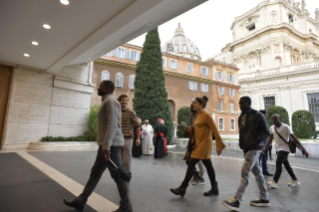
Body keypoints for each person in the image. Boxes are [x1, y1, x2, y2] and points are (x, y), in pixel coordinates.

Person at [63, 80, 132, 212]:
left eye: (100, 86)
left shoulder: (111, 101)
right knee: (95, 174)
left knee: (118, 176)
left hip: (111, 146)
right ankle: (80, 201)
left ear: (107, 88)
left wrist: (106, 146)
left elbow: (112, 124)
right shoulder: (107, 101)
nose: (97, 88)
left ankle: (126, 207)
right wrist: (104, 145)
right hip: (106, 146)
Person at [222, 96, 270, 211]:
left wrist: (254, 141)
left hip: (254, 148)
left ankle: (237, 200)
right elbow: (242, 133)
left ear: (249, 103)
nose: (240, 106)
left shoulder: (257, 115)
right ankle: (264, 198)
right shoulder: (241, 117)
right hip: (246, 149)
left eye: (243, 103)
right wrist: (242, 144)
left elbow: (266, 132)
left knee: (245, 173)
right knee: (258, 174)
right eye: (239, 104)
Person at [170, 96, 225, 197]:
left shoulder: (206, 115)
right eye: (193, 103)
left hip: (205, 144)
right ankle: (214, 188)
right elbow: (199, 128)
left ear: (201, 105)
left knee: (191, 162)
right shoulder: (198, 115)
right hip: (199, 143)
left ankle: (182, 188)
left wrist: (219, 144)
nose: (193, 104)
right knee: (208, 165)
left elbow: (214, 129)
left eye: (195, 103)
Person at [262, 114, 309, 188]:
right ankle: (294, 179)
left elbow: (295, 138)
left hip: (285, 149)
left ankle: (274, 181)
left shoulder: (286, 127)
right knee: (286, 165)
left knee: (278, 162)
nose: (274, 120)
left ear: (279, 119)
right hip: (278, 149)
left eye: (275, 119)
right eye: (272, 119)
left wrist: (304, 149)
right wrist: (265, 147)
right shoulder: (272, 128)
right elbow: (270, 139)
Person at [118, 94, 141, 173]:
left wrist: (138, 138)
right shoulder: (116, 112)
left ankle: (127, 177)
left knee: (127, 160)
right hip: (118, 138)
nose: (124, 102)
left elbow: (138, 125)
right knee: (119, 159)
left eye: (126, 100)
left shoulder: (131, 113)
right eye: (122, 100)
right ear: (119, 101)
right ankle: (121, 176)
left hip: (128, 138)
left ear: (127, 101)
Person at [189, 101, 205, 185]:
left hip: (200, 140)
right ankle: (197, 175)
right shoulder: (192, 115)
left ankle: (200, 176)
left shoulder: (200, 115)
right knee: (190, 159)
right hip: (194, 139)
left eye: (194, 105)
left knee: (200, 160)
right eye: (192, 106)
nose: (192, 107)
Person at [258, 110, 273, 177]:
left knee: (265, 156)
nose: (266, 116)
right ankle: (258, 172)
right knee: (259, 157)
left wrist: (268, 141)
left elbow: (267, 132)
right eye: (265, 114)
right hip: (260, 141)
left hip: (265, 140)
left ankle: (265, 170)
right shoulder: (258, 122)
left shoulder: (264, 121)